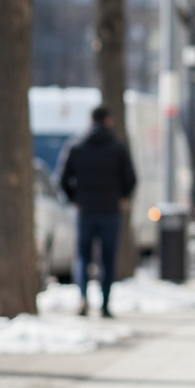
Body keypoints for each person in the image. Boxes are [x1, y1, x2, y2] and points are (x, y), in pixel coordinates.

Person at [58, 104, 137, 318]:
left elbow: (63, 180)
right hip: (110, 211)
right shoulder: (118, 148)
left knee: (83, 256)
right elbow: (131, 179)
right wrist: (122, 197)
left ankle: (83, 298)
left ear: (91, 121)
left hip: (85, 211)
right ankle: (105, 304)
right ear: (108, 121)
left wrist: (75, 199)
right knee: (108, 258)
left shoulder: (76, 146)